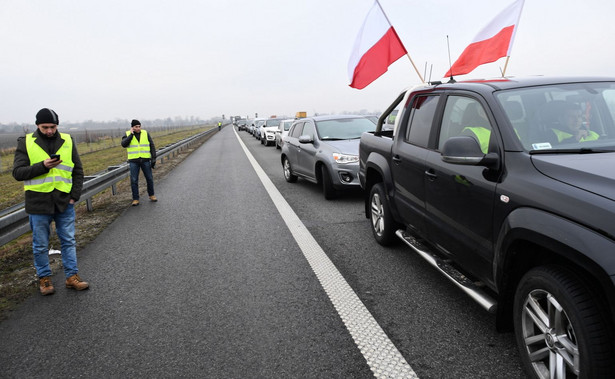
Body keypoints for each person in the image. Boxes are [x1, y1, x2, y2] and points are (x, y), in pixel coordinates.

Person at [12, 108, 89, 295]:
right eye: (45, 127)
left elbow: (78, 170)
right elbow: (18, 173)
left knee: (68, 241)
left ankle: (72, 277)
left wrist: (74, 196)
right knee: (40, 244)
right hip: (38, 203)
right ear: (37, 125)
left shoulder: (68, 141)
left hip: (64, 202)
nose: (49, 131)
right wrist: (43, 166)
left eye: (53, 127)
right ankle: (44, 279)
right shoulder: (26, 142)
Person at [121, 119, 157, 206]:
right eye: (136, 127)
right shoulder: (127, 134)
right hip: (134, 161)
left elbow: (152, 145)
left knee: (149, 178)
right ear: (132, 127)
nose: (138, 128)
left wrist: (153, 158)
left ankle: (151, 195)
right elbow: (123, 144)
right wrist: (131, 135)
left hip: (145, 160)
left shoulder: (145, 133)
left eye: (139, 126)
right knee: (134, 180)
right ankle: (135, 199)